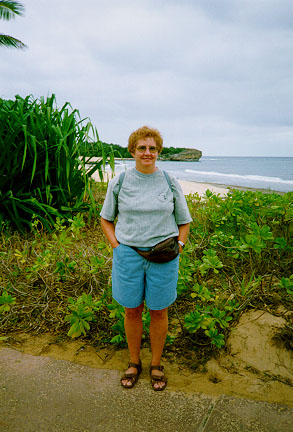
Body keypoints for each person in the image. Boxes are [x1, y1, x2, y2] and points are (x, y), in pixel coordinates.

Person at [100, 126, 192, 391]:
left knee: (159, 310)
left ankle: (156, 364)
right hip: (128, 255)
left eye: (152, 148)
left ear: (158, 152)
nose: (147, 153)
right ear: (132, 151)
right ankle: (133, 362)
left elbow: (184, 222)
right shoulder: (120, 181)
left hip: (164, 257)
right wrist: (117, 247)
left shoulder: (169, 181)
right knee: (132, 310)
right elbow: (106, 219)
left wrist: (180, 246)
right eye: (142, 148)